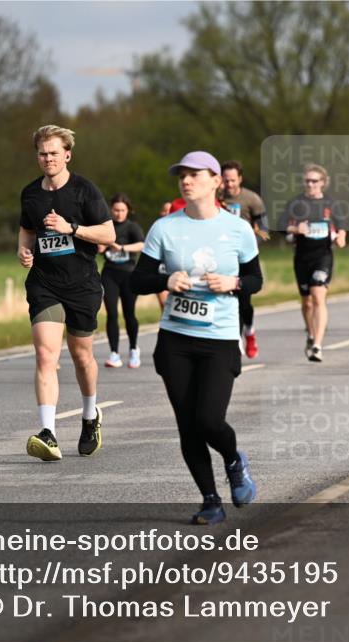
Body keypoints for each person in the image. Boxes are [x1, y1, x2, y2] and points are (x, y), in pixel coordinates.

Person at [130, 150, 261, 525]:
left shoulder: (237, 229)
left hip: (219, 340)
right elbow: (138, 280)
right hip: (176, 340)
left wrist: (234, 283)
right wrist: (164, 280)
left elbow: (256, 280)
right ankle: (210, 501)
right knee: (187, 424)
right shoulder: (164, 228)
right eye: (181, 175)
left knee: (208, 419)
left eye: (194, 175)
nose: (186, 181)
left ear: (216, 181)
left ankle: (234, 461)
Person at [17, 125, 115, 462]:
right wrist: (24, 252)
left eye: (54, 153)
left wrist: (71, 228)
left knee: (81, 356)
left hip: (82, 284)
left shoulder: (85, 190)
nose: (48, 159)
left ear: (67, 155)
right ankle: (48, 432)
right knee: (46, 356)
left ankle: (90, 415)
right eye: (43, 153)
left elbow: (109, 232)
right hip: (44, 283)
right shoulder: (30, 193)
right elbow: (27, 229)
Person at [282, 163, 346, 362]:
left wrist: (341, 237)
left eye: (314, 181)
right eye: (307, 181)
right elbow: (281, 225)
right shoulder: (296, 203)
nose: (310, 185)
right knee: (307, 302)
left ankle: (317, 345)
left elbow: (342, 226)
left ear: (323, 183)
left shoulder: (331, 204)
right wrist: (294, 230)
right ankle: (310, 333)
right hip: (301, 257)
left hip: (323, 256)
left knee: (318, 296)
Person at [220, 160, 269, 359]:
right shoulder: (215, 197)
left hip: (244, 258)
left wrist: (250, 245)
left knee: (243, 301)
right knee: (226, 300)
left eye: (233, 180)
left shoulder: (252, 199)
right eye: (226, 180)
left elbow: (264, 231)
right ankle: (233, 340)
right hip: (221, 256)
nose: (229, 184)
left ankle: (249, 332)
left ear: (240, 179)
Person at [100, 193, 145, 369]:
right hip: (109, 274)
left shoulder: (132, 227)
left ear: (128, 210)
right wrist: (101, 246)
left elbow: (142, 244)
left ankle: (134, 349)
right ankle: (114, 353)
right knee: (112, 313)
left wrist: (122, 247)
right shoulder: (106, 227)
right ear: (111, 210)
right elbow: (98, 247)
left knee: (129, 314)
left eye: (122, 210)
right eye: (116, 210)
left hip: (128, 274)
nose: (119, 213)